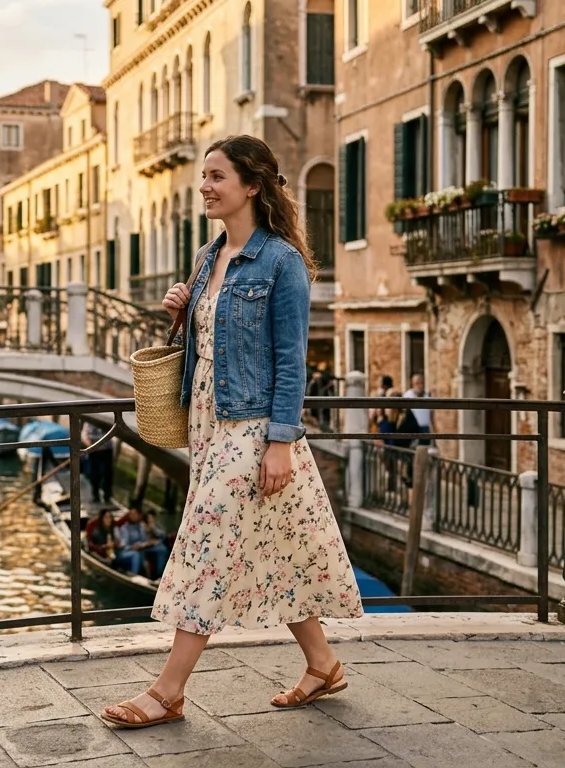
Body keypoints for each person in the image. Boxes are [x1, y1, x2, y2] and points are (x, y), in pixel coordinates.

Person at [101, 136, 362, 729]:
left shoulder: (282, 262)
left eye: (217, 176)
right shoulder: (206, 256)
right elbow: (212, 340)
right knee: (282, 548)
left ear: (252, 186)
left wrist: (280, 442)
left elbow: (291, 361)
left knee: (204, 548)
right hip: (207, 423)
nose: (205, 187)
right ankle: (323, 664)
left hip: (253, 429)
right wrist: (182, 312)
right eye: (205, 176)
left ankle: (168, 691)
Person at [112, 508, 168, 578]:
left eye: (135, 514)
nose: (134, 516)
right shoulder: (125, 528)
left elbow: (145, 539)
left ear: (138, 515)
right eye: (131, 514)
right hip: (128, 551)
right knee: (136, 555)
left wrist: (150, 542)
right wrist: (133, 547)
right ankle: (134, 577)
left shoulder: (141, 526)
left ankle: (160, 575)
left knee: (162, 548)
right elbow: (124, 545)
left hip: (142, 548)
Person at [81, 420, 116, 504]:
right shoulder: (89, 422)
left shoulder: (107, 420)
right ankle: (95, 495)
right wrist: (90, 445)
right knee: (94, 474)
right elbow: (84, 435)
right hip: (94, 450)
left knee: (108, 474)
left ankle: (107, 496)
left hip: (107, 450)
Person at [402, 373, 432, 445]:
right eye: (417, 383)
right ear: (412, 384)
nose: (419, 386)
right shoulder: (407, 395)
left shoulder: (428, 396)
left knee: (424, 448)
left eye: (421, 383)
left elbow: (431, 415)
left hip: (425, 428)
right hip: (412, 429)